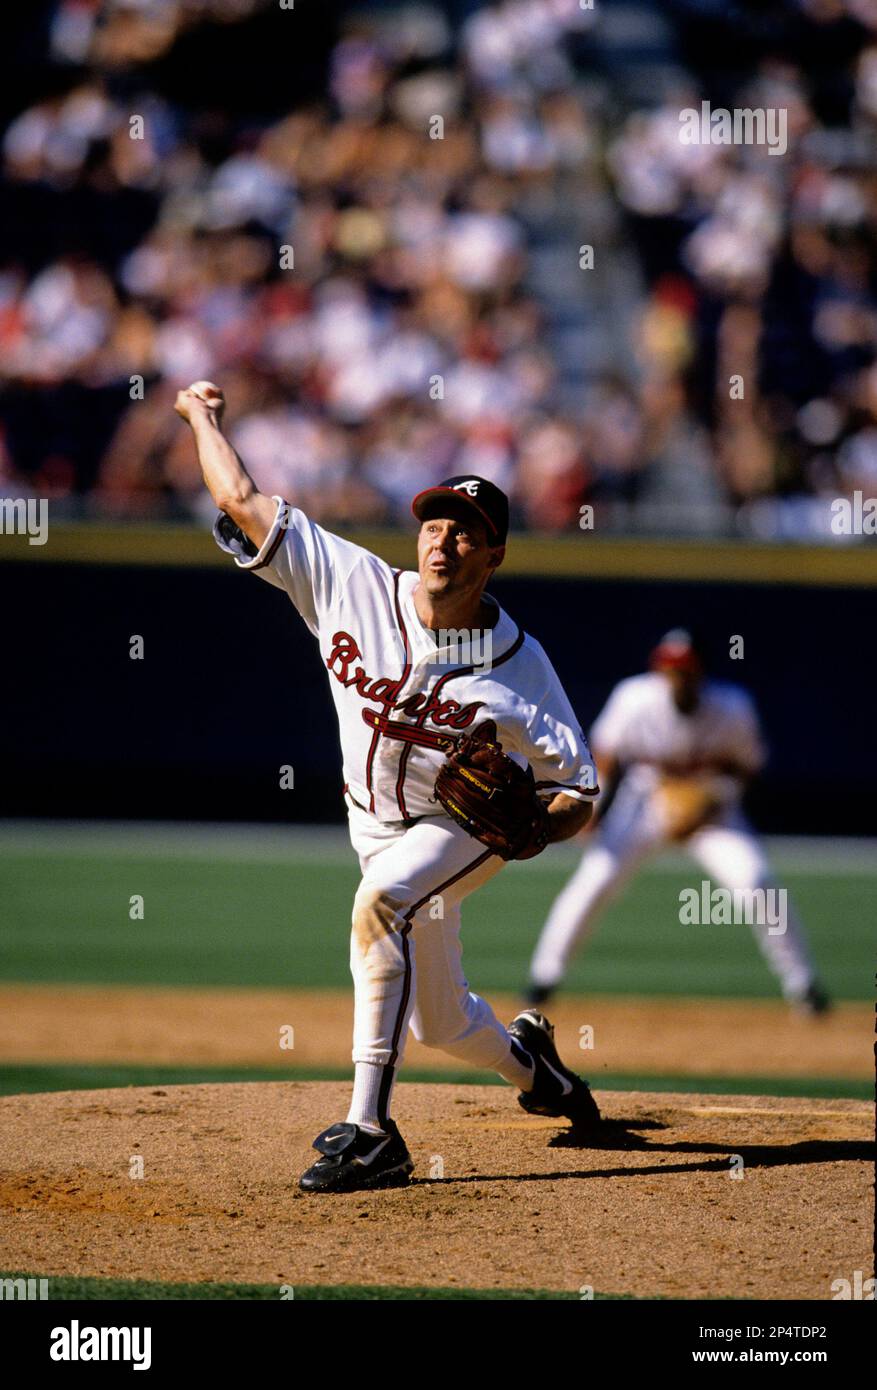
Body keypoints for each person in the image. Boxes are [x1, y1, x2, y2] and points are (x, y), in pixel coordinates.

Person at [175, 379, 602, 1194]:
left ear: (494, 555)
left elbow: (578, 790)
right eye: (433, 525)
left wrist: (536, 828)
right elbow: (237, 497)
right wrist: (202, 417)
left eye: (465, 531)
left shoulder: (522, 667)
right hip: (372, 824)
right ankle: (539, 1072)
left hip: (460, 827)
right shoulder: (355, 584)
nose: (443, 542)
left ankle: (371, 1132)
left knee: (381, 901)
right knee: (440, 1021)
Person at [525, 629, 830, 1014]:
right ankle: (544, 979)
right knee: (595, 878)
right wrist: (593, 808)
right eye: (669, 669)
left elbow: (748, 769)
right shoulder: (634, 697)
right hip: (645, 801)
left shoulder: (733, 706)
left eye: (684, 669)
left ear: (701, 672)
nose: (676, 677)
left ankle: (803, 985)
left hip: (711, 809)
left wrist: (711, 801)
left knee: (757, 882)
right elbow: (605, 755)